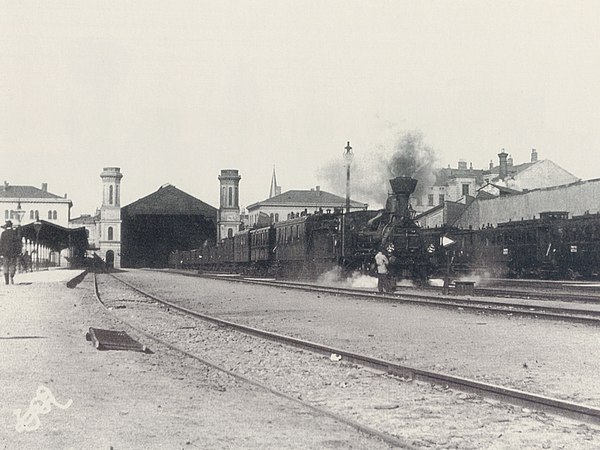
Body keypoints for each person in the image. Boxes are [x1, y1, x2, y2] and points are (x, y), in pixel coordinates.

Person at [0, 220, 22, 285]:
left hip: (5, 253)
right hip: (13, 253)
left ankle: (7, 281)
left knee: (5, 266)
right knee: (12, 265)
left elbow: (1, 244)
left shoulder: (3, 233)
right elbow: (18, 243)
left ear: (6, 226)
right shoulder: (14, 233)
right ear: (11, 226)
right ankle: (11, 276)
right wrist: (19, 252)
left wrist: (0, 253)